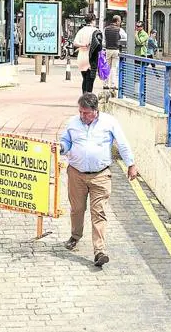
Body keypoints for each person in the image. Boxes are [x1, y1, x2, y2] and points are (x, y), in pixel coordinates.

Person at [60, 93, 138, 267]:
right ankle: (75, 236)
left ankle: (100, 251)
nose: (82, 116)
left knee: (99, 212)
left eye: (86, 113)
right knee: (77, 209)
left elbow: (123, 143)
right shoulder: (73, 123)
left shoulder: (109, 122)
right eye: (80, 112)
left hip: (100, 175)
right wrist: (62, 147)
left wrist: (131, 164)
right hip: (76, 174)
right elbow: (66, 141)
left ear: (95, 111)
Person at [74, 13, 103, 94]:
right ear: (93, 20)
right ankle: (87, 99)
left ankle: (84, 97)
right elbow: (99, 47)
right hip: (91, 58)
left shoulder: (81, 30)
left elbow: (75, 43)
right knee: (90, 80)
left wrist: (82, 45)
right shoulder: (96, 31)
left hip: (81, 58)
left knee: (85, 79)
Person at [104, 15, 127, 89]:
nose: (120, 23)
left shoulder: (106, 29)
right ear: (117, 21)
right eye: (120, 21)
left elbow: (104, 40)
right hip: (116, 50)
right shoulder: (119, 30)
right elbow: (125, 37)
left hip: (107, 49)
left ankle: (105, 84)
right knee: (114, 67)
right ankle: (113, 84)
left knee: (107, 67)